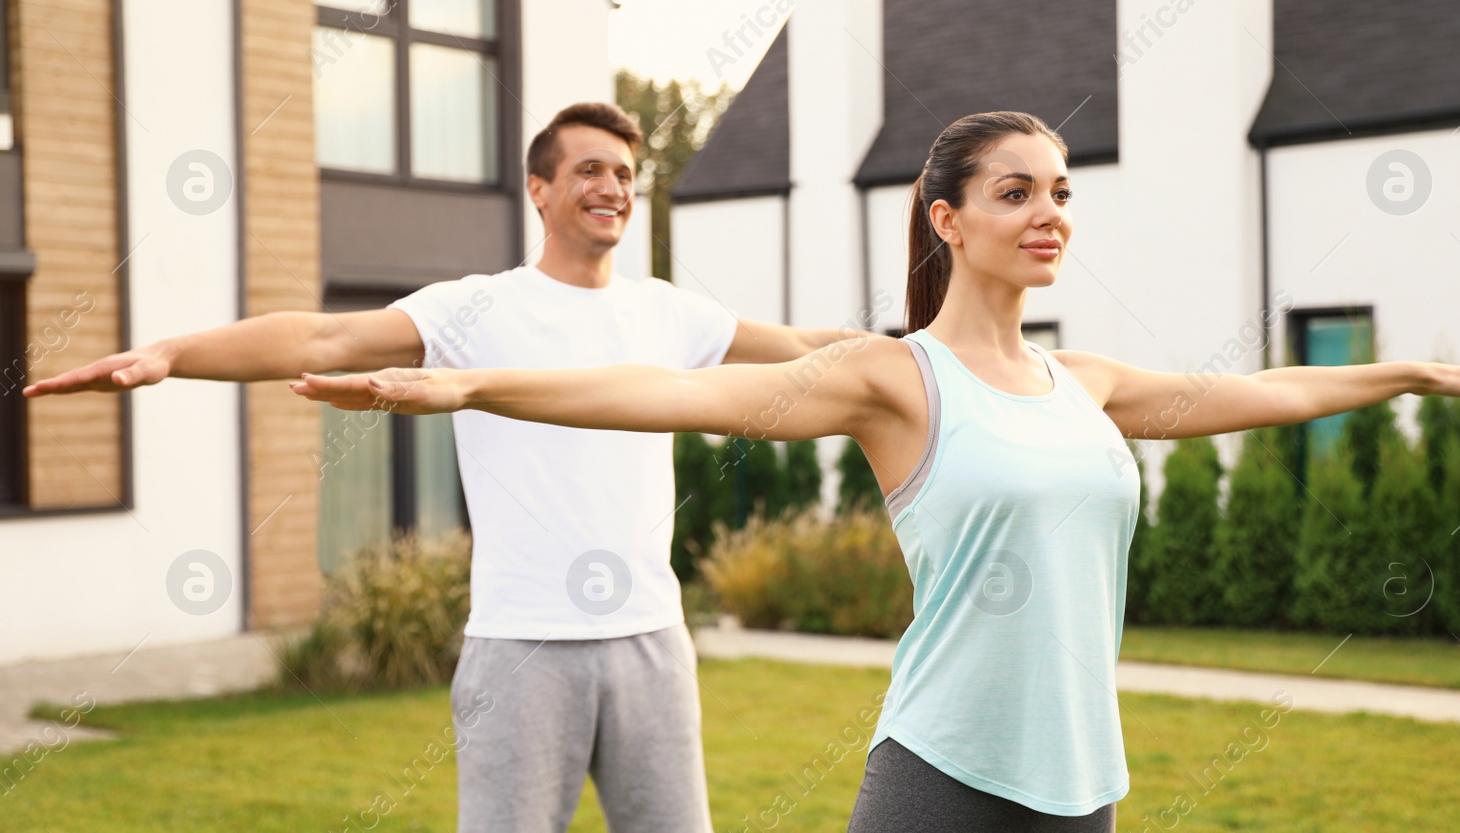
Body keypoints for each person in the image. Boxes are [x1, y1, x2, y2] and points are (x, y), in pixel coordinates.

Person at [290, 110, 1460, 832]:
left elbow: (1264, 393)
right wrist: (469, 383)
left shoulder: (1084, 380)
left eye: (1061, 192)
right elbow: (678, 391)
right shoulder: (893, 377)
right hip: (943, 775)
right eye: (1016, 191)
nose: (1050, 213)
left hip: (1086, 775)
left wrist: (1393, 373)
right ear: (947, 218)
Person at [25, 102, 878, 833]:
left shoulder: (666, 310)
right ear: (540, 189)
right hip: (519, 648)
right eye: (588, 169)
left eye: (624, 171)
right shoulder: (480, 305)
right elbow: (325, 336)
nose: (612, 186)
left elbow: (804, 347)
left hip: (652, 643)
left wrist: (933, 344)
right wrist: (174, 352)